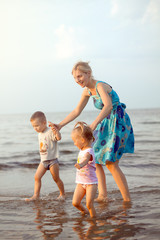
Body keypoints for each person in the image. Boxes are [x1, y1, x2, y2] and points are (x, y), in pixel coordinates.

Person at [49, 61, 134, 202]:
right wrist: (60, 125)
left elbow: (107, 106)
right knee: (98, 159)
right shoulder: (87, 91)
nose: (77, 80)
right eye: (75, 78)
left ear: (88, 73)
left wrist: (94, 123)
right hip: (106, 121)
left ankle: (127, 200)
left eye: (80, 76)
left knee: (111, 163)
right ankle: (102, 195)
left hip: (117, 121)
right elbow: (77, 111)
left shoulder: (99, 86)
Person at [25, 111, 65, 201]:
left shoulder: (50, 131)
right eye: (33, 126)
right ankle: (36, 195)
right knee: (37, 177)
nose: (35, 128)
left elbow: (58, 138)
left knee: (56, 178)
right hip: (43, 161)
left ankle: (62, 194)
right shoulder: (39, 134)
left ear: (44, 123)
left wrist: (56, 132)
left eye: (37, 126)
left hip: (52, 161)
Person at [71, 122, 98, 218]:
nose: (74, 143)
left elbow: (86, 159)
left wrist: (81, 164)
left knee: (89, 204)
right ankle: (85, 212)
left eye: (75, 141)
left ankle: (93, 221)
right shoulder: (82, 149)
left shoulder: (89, 151)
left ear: (82, 140)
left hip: (91, 183)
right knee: (75, 202)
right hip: (81, 182)